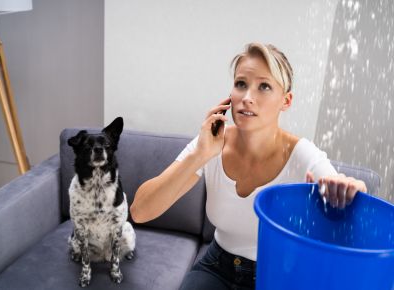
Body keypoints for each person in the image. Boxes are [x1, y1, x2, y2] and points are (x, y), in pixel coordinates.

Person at [130, 43, 367, 290]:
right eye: (241, 84)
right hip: (216, 265)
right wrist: (200, 155)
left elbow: (347, 195)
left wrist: (352, 188)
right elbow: (140, 211)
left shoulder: (301, 154)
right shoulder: (212, 143)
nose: (247, 97)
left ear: (286, 101)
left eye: (264, 86)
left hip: (275, 274)